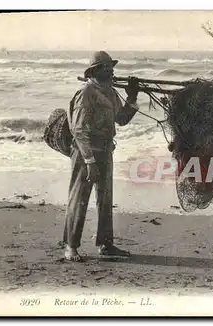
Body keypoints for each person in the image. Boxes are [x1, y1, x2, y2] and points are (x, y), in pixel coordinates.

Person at [63, 51, 140, 262]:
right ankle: (70, 246)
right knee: (79, 198)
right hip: (85, 152)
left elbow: (121, 119)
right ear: (96, 70)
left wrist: (132, 96)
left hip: (106, 150)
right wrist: (89, 161)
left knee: (105, 199)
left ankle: (105, 244)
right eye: (107, 67)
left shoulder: (110, 92)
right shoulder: (86, 92)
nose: (112, 70)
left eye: (112, 66)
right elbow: (79, 129)